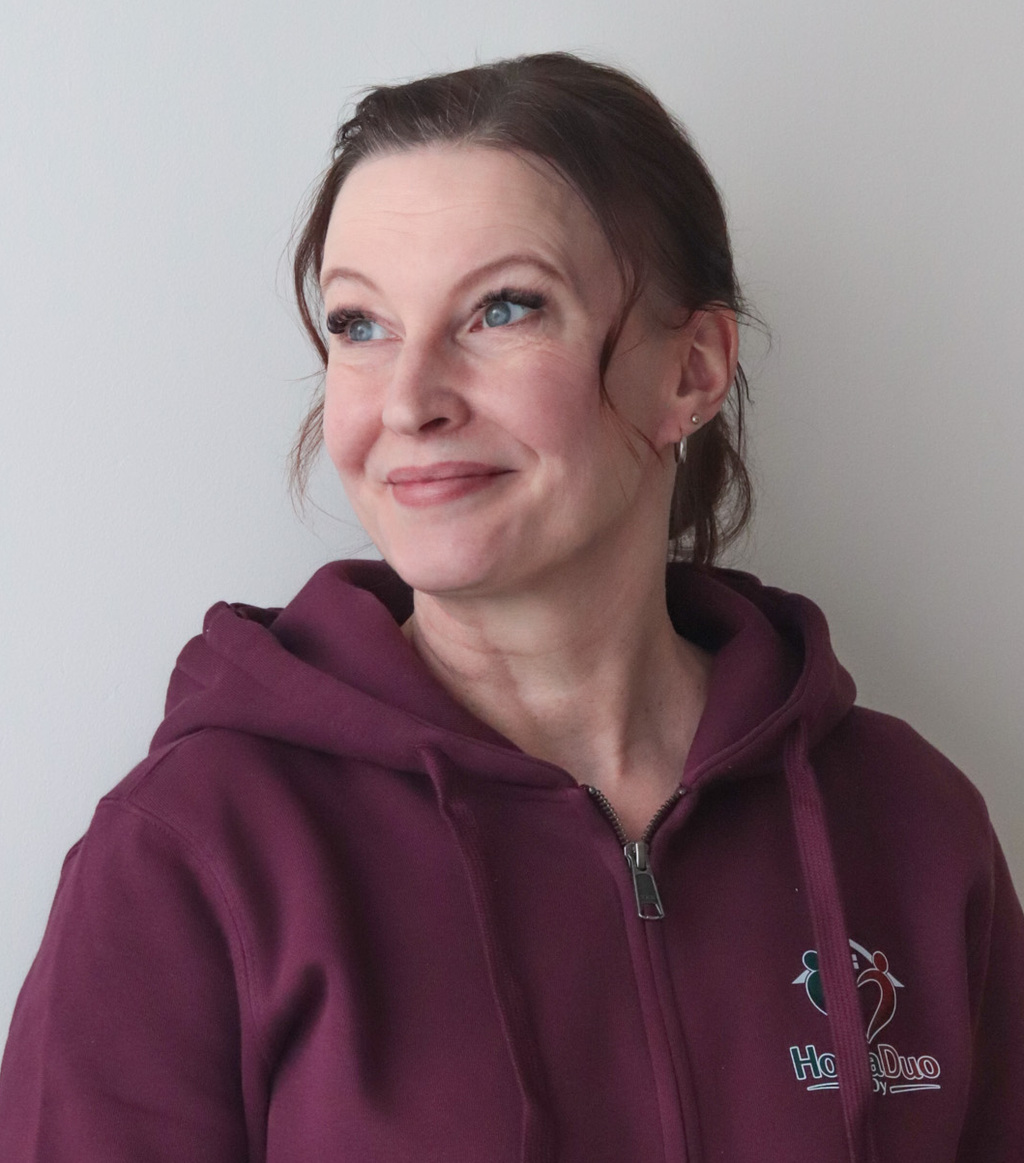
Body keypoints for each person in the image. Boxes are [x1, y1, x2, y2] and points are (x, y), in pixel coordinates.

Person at [0, 52, 1021, 1163]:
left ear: (691, 369)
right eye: (359, 324)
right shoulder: (191, 853)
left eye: (502, 308)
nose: (410, 400)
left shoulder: (912, 828)